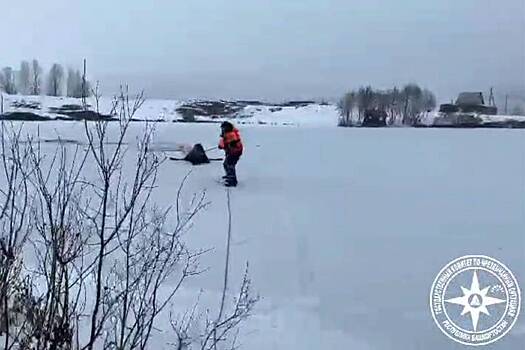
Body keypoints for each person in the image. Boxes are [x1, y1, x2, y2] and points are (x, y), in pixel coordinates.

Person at [218, 121, 243, 187]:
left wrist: (233, 144)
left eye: (223, 128)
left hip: (235, 152)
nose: (222, 129)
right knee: (226, 164)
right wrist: (221, 146)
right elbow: (224, 142)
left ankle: (232, 181)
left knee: (230, 165)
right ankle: (229, 176)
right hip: (230, 152)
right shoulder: (226, 134)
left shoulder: (232, 134)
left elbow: (236, 143)